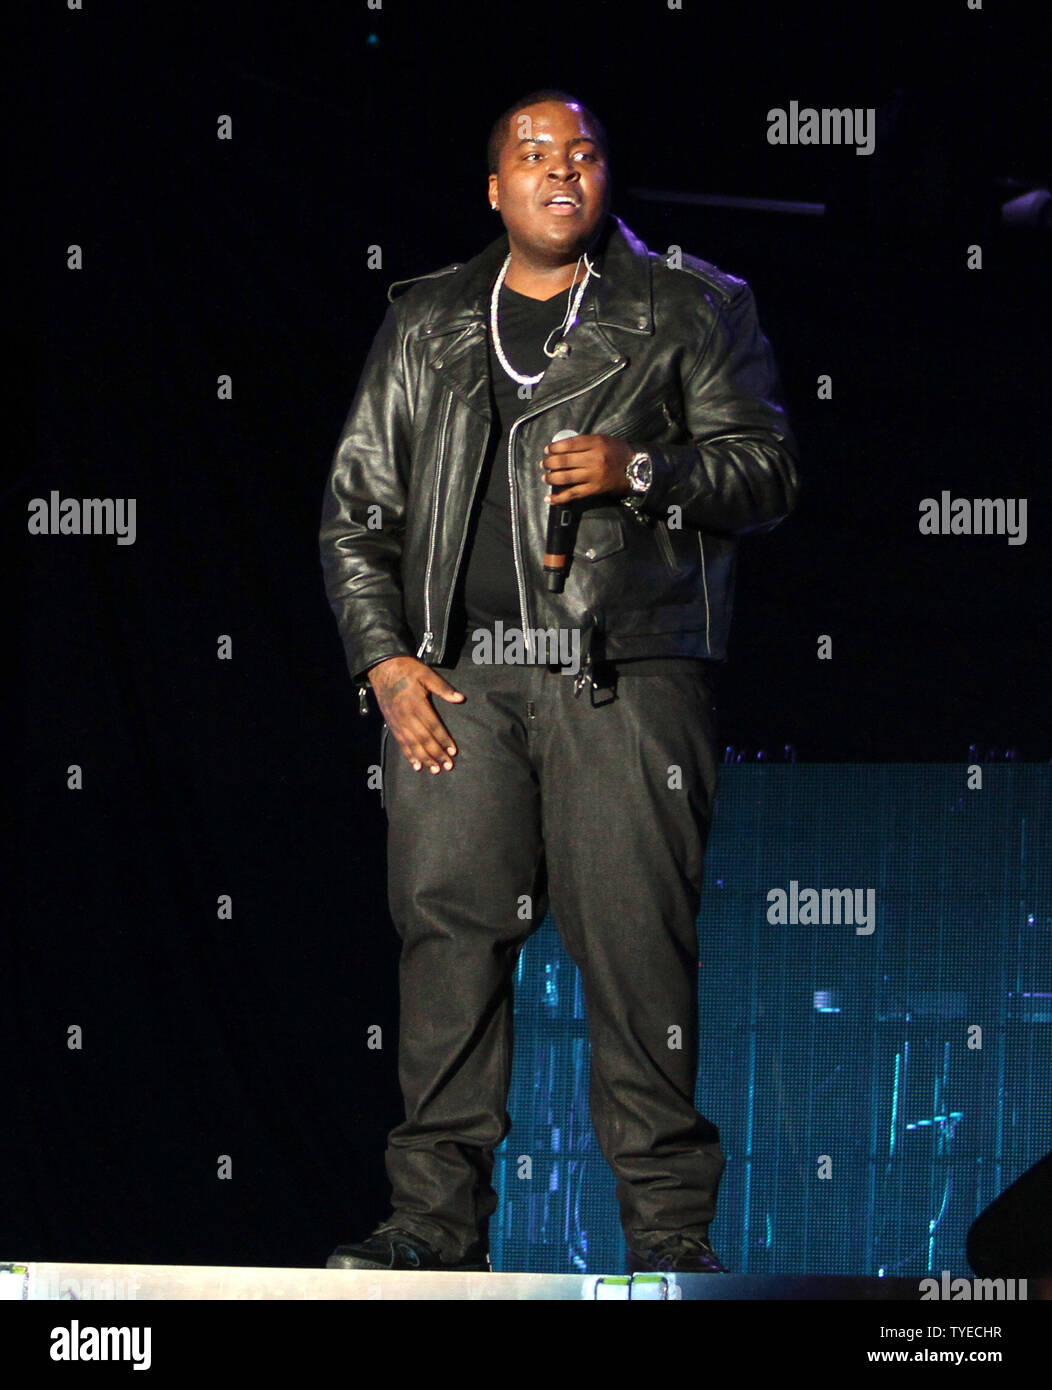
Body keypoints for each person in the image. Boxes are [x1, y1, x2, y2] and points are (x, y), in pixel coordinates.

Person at [319, 89, 799, 1276]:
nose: (559, 172)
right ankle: (431, 1229)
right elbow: (354, 509)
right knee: (447, 947)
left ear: (602, 178)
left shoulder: (689, 308)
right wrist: (385, 662)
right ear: (495, 188)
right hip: (460, 685)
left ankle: (666, 1236)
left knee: (636, 954)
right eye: (532, 156)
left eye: (581, 154)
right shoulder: (429, 320)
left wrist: (639, 467)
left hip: (618, 677)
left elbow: (765, 472)